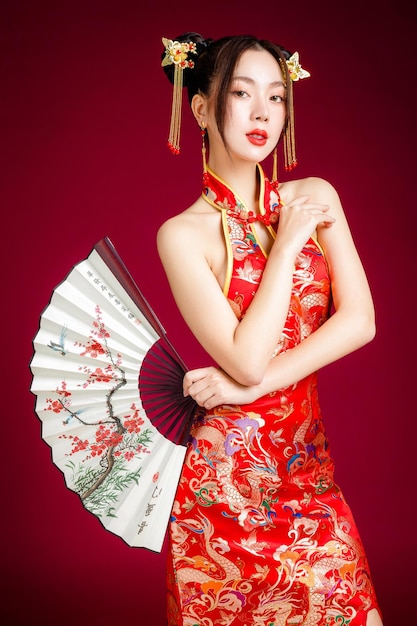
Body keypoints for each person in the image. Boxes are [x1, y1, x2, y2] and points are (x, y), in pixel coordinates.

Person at [158, 33, 383, 626]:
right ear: (202, 108)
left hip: (308, 475)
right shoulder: (182, 236)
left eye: (277, 97)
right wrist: (285, 247)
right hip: (222, 497)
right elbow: (248, 360)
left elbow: (360, 321)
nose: (263, 113)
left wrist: (248, 390)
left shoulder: (314, 196)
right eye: (240, 93)